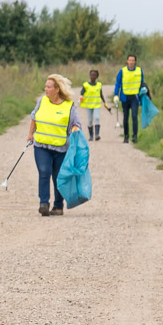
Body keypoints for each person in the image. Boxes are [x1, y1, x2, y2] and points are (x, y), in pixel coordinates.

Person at [28, 74, 83, 217]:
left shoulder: (68, 106)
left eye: (49, 87)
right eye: (45, 86)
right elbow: (34, 116)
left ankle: (58, 206)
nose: (46, 89)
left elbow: (76, 124)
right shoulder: (42, 101)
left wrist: (75, 130)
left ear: (57, 89)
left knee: (58, 177)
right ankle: (44, 204)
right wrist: (30, 135)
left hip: (61, 148)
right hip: (41, 145)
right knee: (44, 172)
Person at [113, 55, 149, 144]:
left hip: (135, 97)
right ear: (127, 61)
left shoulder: (139, 71)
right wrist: (116, 95)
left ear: (135, 61)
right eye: (130, 60)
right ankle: (126, 136)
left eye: (133, 60)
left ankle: (135, 136)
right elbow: (117, 83)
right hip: (125, 97)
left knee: (134, 116)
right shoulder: (122, 71)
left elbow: (142, 82)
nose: (131, 62)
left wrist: (144, 90)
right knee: (125, 117)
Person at [77, 69, 110, 142]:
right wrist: (80, 99)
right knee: (89, 121)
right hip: (88, 105)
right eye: (91, 75)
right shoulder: (85, 85)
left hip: (96, 105)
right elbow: (81, 93)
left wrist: (104, 102)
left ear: (97, 76)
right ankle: (91, 135)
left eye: (94, 75)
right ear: (89, 76)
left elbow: (101, 94)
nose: (92, 76)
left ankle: (97, 135)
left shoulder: (99, 85)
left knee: (97, 118)